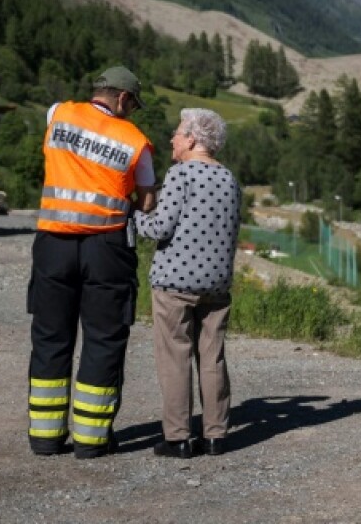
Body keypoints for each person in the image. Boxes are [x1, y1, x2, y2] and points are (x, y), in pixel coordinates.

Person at [26, 66, 156, 459]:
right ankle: (91, 438)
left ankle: (45, 437)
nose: (131, 110)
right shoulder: (136, 142)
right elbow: (147, 200)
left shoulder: (58, 113)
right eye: (132, 103)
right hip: (107, 247)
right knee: (103, 338)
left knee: (51, 337)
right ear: (121, 98)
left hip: (53, 242)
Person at [135, 108, 242, 459]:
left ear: (192, 139)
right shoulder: (229, 178)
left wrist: (132, 214)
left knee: (175, 358)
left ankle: (179, 437)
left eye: (178, 133)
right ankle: (216, 436)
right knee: (212, 358)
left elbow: (160, 228)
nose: (172, 139)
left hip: (175, 283)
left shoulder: (181, 174)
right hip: (216, 284)